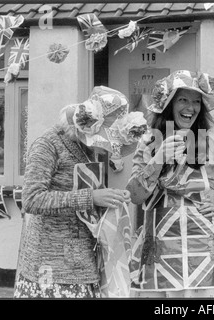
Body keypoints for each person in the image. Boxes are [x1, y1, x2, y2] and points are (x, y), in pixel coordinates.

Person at [126, 70, 214, 298]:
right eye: (183, 100)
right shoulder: (148, 142)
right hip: (159, 259)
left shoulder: (213, 140)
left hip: (205, 257)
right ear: (168, 104)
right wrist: (158, 158)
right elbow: (135, 196)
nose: (191, 107)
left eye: (197, 101)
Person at [14, 86, 133, 298]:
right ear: (87, 125)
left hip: (83, 262)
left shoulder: (88, 148)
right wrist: (91, 197)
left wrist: (108, 196)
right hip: (49, 265)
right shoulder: (48, 144)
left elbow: (81, 191)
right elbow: (31, 199)